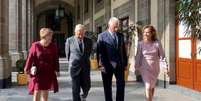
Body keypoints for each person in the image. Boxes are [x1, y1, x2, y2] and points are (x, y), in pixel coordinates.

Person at [135, 25, 169, 101]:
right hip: (145, 68)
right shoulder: (140, 44)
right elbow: (138, 56)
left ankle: (150, 99)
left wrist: (165, 68)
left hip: (155, 68)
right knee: (148, 86)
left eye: (147, 32)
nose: (145, 34)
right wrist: (136, 67)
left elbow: (162, 56)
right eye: (144, 32)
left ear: (152, 33)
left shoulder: (157, 43)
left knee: (152, 86)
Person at [24, 28, 60, 101]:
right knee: (37, 90)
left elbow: (56, 59)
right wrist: (27, 68)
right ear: (44, 36)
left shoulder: (53, 46)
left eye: (51, 36)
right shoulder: (35, 45)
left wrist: (57, 70)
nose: (51, 38)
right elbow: (30, 58)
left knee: (45, 90)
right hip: (38, 72)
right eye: (49, 36)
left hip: (48, 72)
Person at [97, 17, 128, 101]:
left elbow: (123, 51)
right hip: (106, 65)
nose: (116, 28)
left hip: (119, 65)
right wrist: (101, 65)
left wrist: (125, 63)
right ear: (109, 25)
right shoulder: (101, 36)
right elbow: (99, 52)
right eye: (115, 27)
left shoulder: (120, 36)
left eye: (117, 26)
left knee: (121, 85)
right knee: (107, 86)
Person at [65, 24, 92, 101]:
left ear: (84, 32)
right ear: (75, 32)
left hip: (85, 67)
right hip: (74, 68)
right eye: (78, 33)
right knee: (75, 90)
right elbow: (68, 55)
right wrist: (73, 63)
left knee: (87, 86)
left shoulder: (89, 41)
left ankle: (83, 96)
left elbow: (88, 53)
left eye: (82, 33)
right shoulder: (69, 40)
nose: (80, 35)